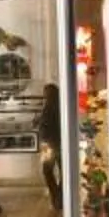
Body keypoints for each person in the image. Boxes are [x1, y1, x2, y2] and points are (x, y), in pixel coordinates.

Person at [36, 82, 65, 210]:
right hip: (60, 144)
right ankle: (60, 197)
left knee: (47, 171)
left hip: (48, 145)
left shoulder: (47, 107)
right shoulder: (61, 106)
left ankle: (56, 197)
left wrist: (37, 122)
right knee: (63, 172)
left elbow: (45, 125)